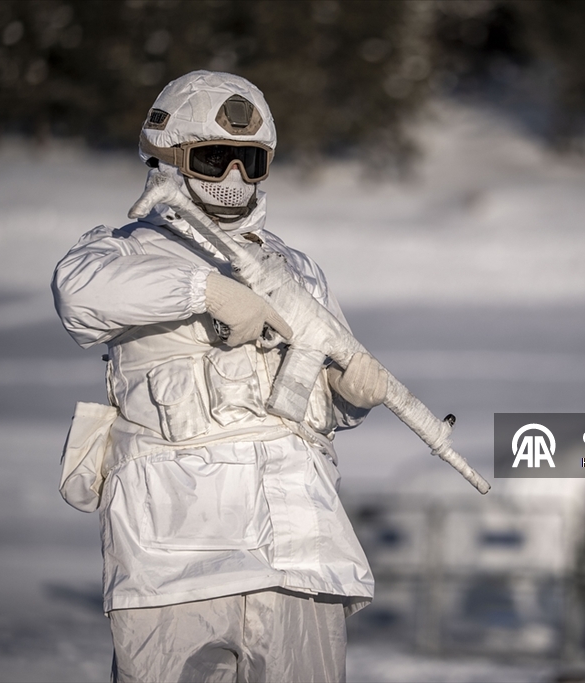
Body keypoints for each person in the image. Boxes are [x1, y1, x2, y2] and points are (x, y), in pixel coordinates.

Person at [52, 70, 387, 683]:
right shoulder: (126, 250)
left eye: (249, 162)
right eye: (213, 158)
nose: (233, 177)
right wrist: (203, 290)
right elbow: (78, 294)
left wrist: (349, 398)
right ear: (168, 156)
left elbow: (321, 395)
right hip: (176, 559)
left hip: (300, 555)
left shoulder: (296, 271)